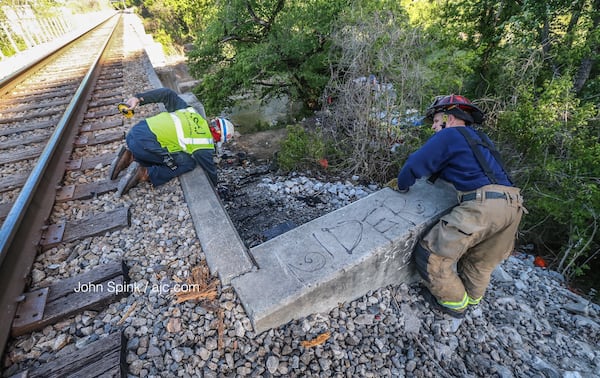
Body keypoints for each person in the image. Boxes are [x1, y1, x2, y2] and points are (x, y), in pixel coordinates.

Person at [396, 94, 526, 318]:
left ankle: (454, 303)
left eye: (437, 121)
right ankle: (473, 300)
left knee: (433, 254)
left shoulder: (449, 135)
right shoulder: (481, 139)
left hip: (483, 206)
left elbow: (414, 164)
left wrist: (401, 185)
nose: (435, 127)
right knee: (481, 262)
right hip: (513, 206)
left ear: (450, 118)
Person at [109, 88, 235, 196]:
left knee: (169, 146)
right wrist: (215, 186)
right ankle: (144, 173)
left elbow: (167, 93)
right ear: (219, 137)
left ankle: (130, 156)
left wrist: (138, 98)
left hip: (135, 133)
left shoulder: (190, 111)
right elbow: (210, 169)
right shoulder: (204, 144)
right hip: (145, 146)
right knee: (189, 163)